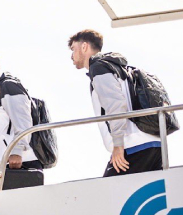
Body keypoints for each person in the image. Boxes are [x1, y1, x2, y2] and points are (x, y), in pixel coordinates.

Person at [68, 29, 162, 176]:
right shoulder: (118, 68)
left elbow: (115, 105)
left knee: (108, 194)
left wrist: (118, 145)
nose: (71, 56)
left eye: (73, 49)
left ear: (84, 47)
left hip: (133, 146)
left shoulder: (98, 68)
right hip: (154, 143)